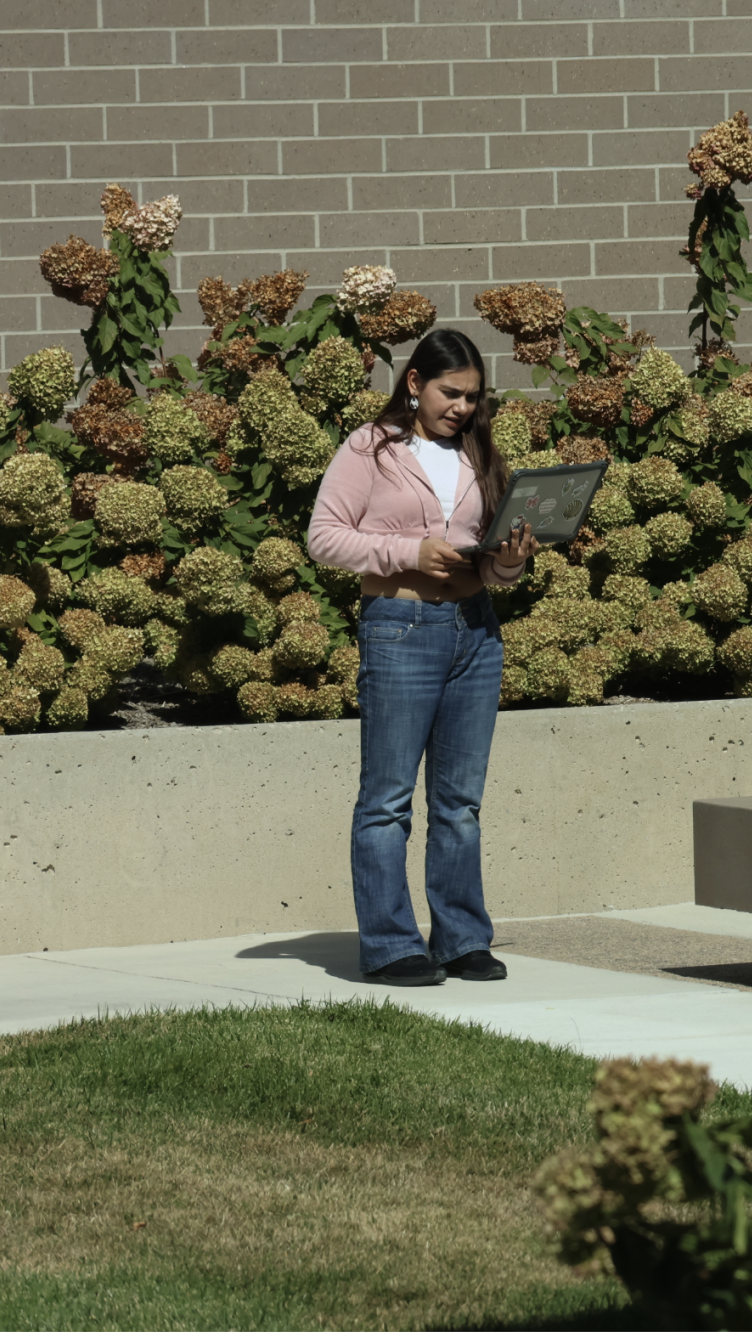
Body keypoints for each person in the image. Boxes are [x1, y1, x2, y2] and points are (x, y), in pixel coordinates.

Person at [307, 329, 539, 987]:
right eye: (449, 392)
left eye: (472, 396)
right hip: (400, 625)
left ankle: (461, 939)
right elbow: (323, 537)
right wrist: (407, 553)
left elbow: (492, 568)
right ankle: (390, 946)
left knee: (459, 801)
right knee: (386, 801)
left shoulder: (478, 452)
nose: (462, 407)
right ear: (414, 384)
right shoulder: (368, 448)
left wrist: (510, 564)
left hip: (475, 629)